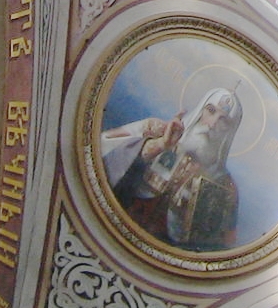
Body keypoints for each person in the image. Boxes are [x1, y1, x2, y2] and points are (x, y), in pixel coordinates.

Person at [102, 84, 243, 252]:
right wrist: (159, 145)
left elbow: (218, 248)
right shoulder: (156, 131)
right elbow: (103, 149)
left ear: (229, 132)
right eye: (211, 111)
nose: (212, 124)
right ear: (200, 110)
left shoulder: (225, 186)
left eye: (224, 121)